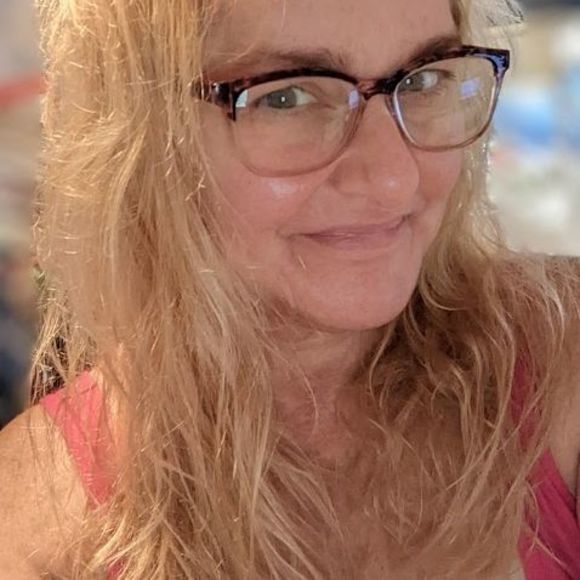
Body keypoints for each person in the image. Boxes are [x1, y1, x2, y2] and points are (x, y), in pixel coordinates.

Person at [1, 0, 579, 578]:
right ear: (139, 136)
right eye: (287, 98)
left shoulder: (560, 368)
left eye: (425, 79)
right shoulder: (36, 529)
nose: (393, 178)